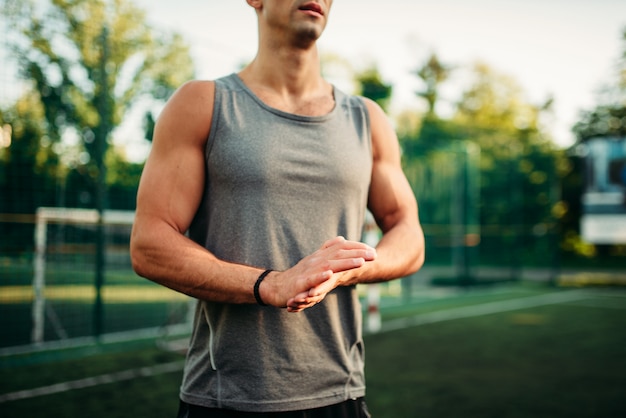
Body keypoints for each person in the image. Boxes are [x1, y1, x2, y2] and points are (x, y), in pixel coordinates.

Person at [130, 0, 425, 416]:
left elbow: (409, 234)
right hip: (223, 398)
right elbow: (150, 244)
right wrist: (270, 284)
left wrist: (351, 267)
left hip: (340, 396)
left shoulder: (368, 119)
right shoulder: (202, 104)